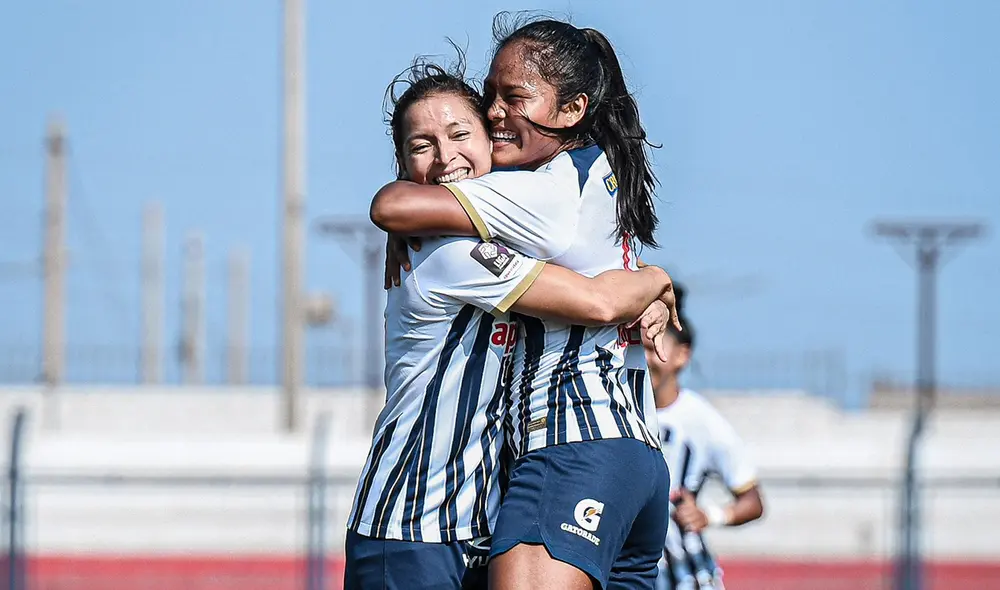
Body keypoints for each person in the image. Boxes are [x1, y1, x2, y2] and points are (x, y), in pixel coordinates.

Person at [345, 57, 677, 590]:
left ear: (492, 141)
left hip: (471, 525)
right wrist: (654, 279)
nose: (446, 155)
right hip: (412, 525)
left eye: (459, 134)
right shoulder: (451, 251)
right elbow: (594, 300)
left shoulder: (498, 230)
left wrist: (640, 283)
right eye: (421, 145)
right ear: (404, 164)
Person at [645, 285, 765, 590]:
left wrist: (710, 515)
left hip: (686, 576)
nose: (644, 361)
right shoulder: (616, 413)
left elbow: (752, 501)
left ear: (682, 355)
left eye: (653, 349)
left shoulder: (702, 420)